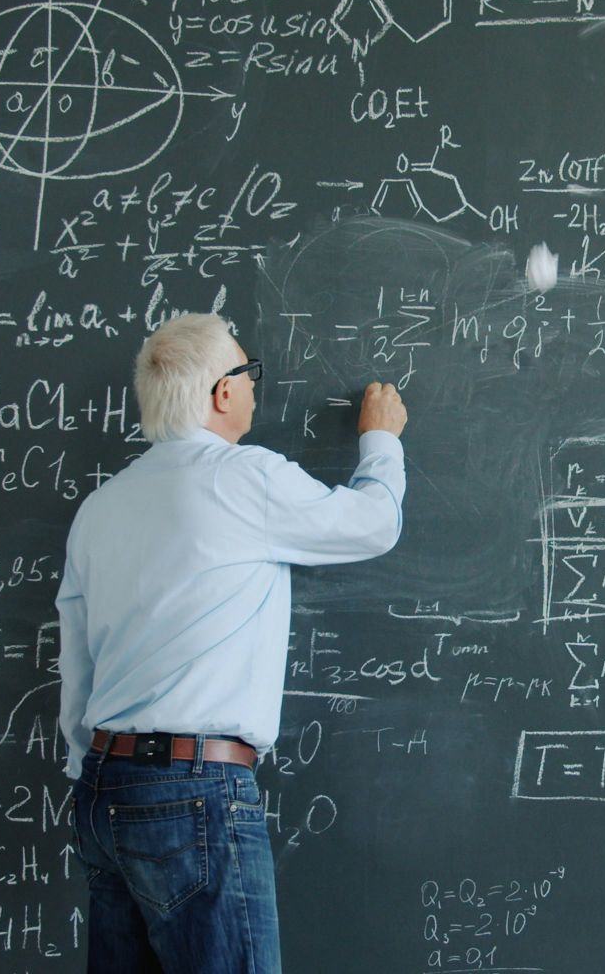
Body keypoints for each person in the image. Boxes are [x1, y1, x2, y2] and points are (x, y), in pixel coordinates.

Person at [56, 312, 407, 973]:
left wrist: (89, 773)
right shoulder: (240, 477)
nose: (254, 389)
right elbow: (373, 525)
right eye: (250, 374)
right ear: (223, 391)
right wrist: (381, 441)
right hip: (194, 789)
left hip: (104, 790)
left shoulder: (101, 507)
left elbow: (77, 662)